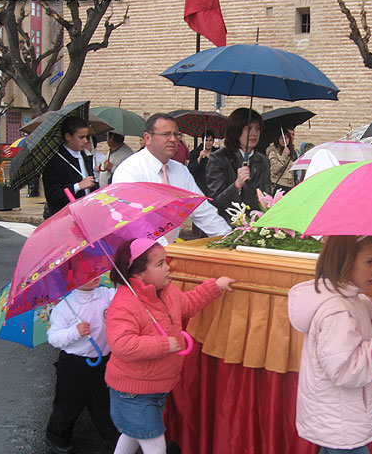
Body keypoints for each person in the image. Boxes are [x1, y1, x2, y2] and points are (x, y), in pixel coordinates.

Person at [105, 238, 234, 454]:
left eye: (166, 262)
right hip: (133, 391)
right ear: (138, 274)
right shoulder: (126, 303)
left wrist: (215, 287)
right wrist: (164, 344)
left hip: (156, 386)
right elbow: (121, 344)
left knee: (134, 435)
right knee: (154, 444)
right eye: (160, 264)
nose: (167, 268)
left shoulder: (167, 292)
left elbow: (189, 304)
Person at [288, 235, 372, 453]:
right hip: (342, 422)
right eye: (370, 262)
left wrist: (364, 307)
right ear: (344, 261)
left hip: (338, 417)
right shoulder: (338, 312)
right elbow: (344, 370)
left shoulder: (347, 300)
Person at [112, 113, 231, 238]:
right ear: (147, 138)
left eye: (176, 134)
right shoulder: (129, 171)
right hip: (137, 250)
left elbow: (202, 211)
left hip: (170, 249)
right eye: (166, 134)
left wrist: (230, 238)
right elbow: (132, 221)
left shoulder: (181, 171)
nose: (173, 139)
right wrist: (162, 249)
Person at [45, 275, 119, 454]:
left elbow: (124, 298)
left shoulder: (106, 294)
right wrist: (74, 332)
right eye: (85, 274)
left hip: (103, 361)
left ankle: (114, 442)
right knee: (68, 405)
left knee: (105, 404)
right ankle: (57, 438)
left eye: (94, 270)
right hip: (74, 366)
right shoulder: (65, 307)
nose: (94, 276)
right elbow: (54, 338)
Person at [206, 108, 271, 224]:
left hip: (256, 227)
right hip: (226, 226)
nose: (254, 133)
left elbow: (266, 194)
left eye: (257, 128)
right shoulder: (218, 159)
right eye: (248, 128)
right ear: (236, 130)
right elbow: (215, 203)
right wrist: (237, 185)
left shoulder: (263, 160)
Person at [43, 116, 97, 218]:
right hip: (65, 217)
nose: (85, 141)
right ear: (68, 136)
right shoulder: (55, 161)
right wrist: (77, 186)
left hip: (87, 214)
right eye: (81, 137)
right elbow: (53, 195)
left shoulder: (85, 156)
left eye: (87, 137)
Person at [266, 127, 297, 193]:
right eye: (281, 138)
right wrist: (283, 156)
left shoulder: (290, 152)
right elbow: (274, 170)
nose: (284, 140)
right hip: (278, 185)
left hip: (290, 186)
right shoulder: (273, 152)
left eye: (286, 138)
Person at [187, 130, 217, 196]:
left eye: (210, 140)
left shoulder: (217, 153)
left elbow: (221, 166)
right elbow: (190, 169)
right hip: (200, 185)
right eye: (206, 140)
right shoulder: (195, 153)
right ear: (202, 141)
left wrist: (210, 157)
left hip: (214, 185)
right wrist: (199, 158)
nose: (208, 143)